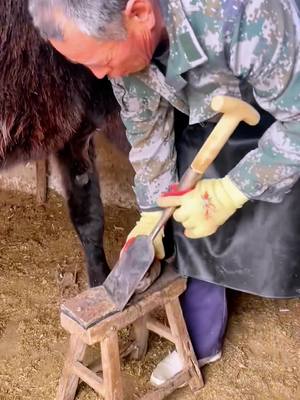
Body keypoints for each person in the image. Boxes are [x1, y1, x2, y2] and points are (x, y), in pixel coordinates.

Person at [29, 0, 300, 386]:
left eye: (102, 59)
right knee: (188, 212)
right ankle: (201, 340)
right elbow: (147, 126)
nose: (99, 74)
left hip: (286, 91)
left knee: (283, 217)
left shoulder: (248, 14)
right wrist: (152, 215)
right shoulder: (122, 39)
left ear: (139, 12)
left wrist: (233, 191)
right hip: (216, 107)